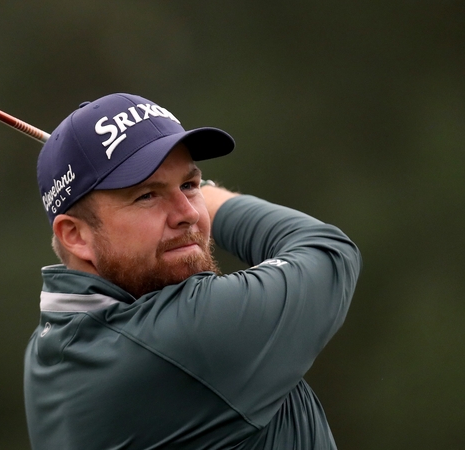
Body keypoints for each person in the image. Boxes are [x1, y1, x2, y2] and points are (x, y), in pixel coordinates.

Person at [24, 93, 361, 449]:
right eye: (147, 196)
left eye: (189, 185)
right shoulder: (190, 338)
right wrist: (214, 200)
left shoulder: (48, 348)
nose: (187, 213)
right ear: (76, 235)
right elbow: (328, 252)